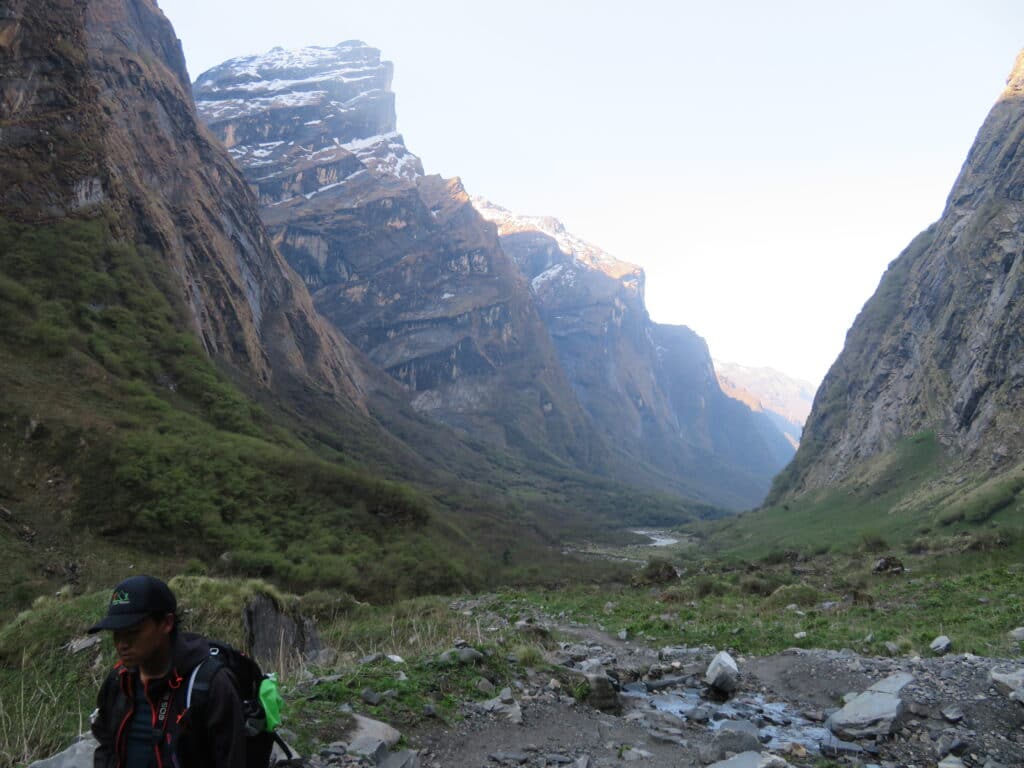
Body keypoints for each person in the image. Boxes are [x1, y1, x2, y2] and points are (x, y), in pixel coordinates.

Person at [88, 575, 246, 768]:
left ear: (167, 623)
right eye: (116, 633)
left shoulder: (209, 684)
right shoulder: (119, 681)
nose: (122, 644)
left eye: (133, 631)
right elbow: (106, 744)